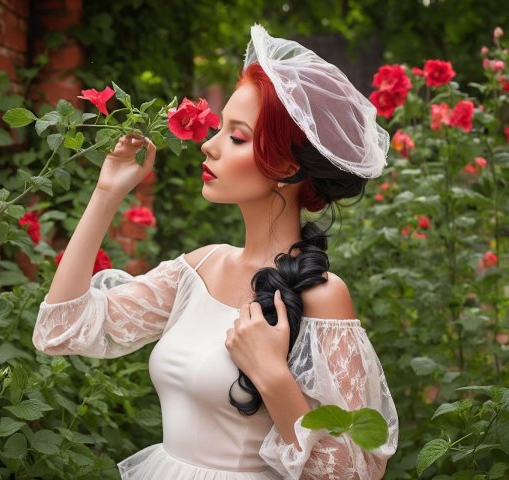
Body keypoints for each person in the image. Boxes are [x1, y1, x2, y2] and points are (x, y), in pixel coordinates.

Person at [32, 24, 398, 480]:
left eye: (237, 136)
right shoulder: (199, 267)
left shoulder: (322, 296)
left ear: (285, 165)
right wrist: (106, 193)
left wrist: (272, 375)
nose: (209, 144)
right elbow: (60, 331)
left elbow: (350, 473)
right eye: (221, 128)